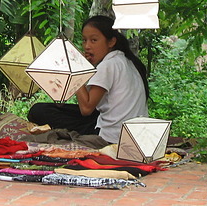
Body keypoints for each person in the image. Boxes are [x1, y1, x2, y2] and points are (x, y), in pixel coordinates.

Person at [27, 15, 149, 143]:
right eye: (85, 40)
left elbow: (86, 109)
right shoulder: (127, 62)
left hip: (111, 136)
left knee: (38, 111)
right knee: (50, 109)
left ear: (111, 42)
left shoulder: (108, 65)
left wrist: (77, 70)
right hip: (134, 133)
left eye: (94, 40)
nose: (87, 46)